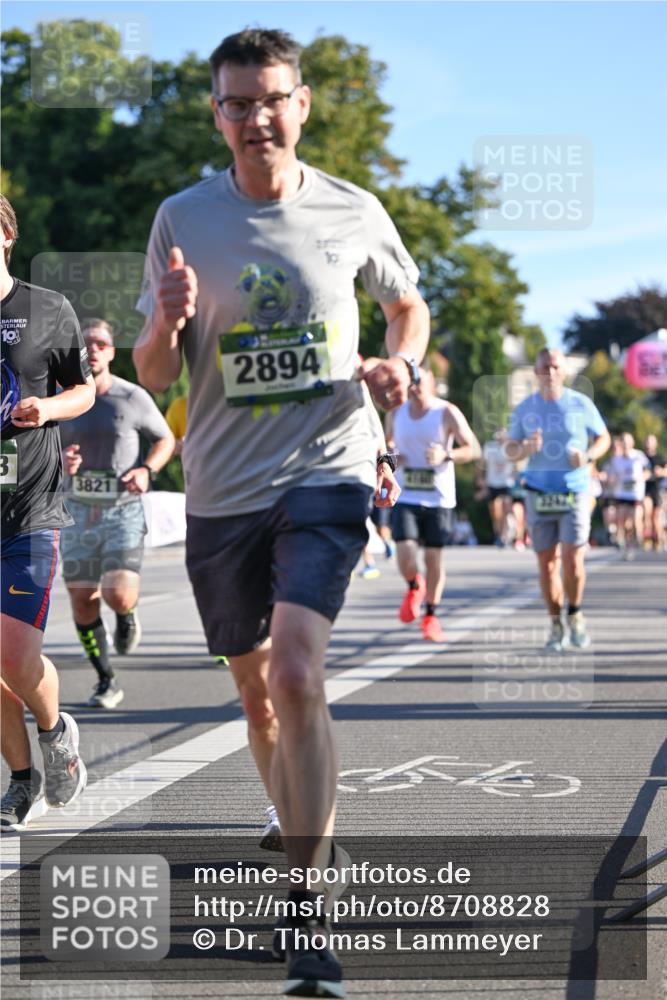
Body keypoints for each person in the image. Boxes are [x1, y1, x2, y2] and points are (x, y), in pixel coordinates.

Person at [132, 27, 427, 998]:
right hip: (223, 488)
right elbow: (156, 374)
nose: (255, 117)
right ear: (216, 116)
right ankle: (307, 828)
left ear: (301, 105)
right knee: (258, 696)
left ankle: (309, 913)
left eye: (271, 99)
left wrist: (402, 361)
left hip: (329, 466)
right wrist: (165, 323)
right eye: (235, 103)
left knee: (300, 671)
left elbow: (406, 304)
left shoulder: (352, 209)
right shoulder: (182, 217)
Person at [0, 194, 95, 830]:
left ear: (5, 236)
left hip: (29, 507)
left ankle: (56, 730)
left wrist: (48, 410)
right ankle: (21, 778)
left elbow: (82, 389)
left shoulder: (45, 308)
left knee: (12, 655)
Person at [59, 319, 175, 709]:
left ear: (111, 351)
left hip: (122, 509)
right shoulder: (61, 398)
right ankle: (106, 680)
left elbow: (165, 438)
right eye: (85, 343)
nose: (92, 349)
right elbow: (39, 454)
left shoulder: (131, 397)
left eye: (101, 343)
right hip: (76, 509)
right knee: (81, 599)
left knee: (117, 594)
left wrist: (148, 470)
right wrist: (61, 463)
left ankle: (126, 616)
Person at [506, 348, 611, 651]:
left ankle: (575, 613)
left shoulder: (580, 404)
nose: (550, 372)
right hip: (538, 492)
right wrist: (525, 447)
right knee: (546, 564)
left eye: (555, 367)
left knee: (573, 560)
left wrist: (589, 455)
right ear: (537, 372)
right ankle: (556, 624)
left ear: (563, 371)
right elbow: (510, 449)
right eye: (544, 367)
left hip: (574, 490)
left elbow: (603, 437)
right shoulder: (525, 408)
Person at [385, 368, 480, 643]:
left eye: (419, 383)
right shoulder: (395, 412)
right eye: (410, 384)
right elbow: (385, 447)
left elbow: (472, 448)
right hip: (406, 495)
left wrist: (446, 455)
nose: (414, 389)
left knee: (432, 558)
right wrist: (393, 459)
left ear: (432, 384)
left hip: (439, 498)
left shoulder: (446, 412)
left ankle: (430, 616)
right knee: (404, 552)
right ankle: (414, 585)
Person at [602, 431, 650, 559]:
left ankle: (635, 540)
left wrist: (640, 478)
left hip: (635, 494)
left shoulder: (639, 456)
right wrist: (610, 479)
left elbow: (648, 472)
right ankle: (623, 545)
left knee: (634, 519)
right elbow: (611, 475)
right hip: (621, 493)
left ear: (632, 443)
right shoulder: (615, 460)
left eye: (627, 441)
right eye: (623, 441)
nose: (625, 444)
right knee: (622, 521)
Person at [478, 428, 516, 547]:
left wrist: (514, 476)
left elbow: (517, 464)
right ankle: (498, 533)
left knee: (506, 505)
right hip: (492, 483)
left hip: (506, 483)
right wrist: (481, 479)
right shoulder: (490, 447)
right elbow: (481, 464)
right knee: (495, 509)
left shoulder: (511, 448)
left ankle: (505, 534)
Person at [643, 433, 666, 551]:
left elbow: (665, 472)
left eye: (651, 441)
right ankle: (647, 537)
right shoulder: (641, 457)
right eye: (647, 441)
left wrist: (659, 472)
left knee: (656, 516)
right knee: (646, 513)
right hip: (645, 489)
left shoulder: (660, 458)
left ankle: (658, 539)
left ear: (655, 443)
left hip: (657, 489)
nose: (648, 444)